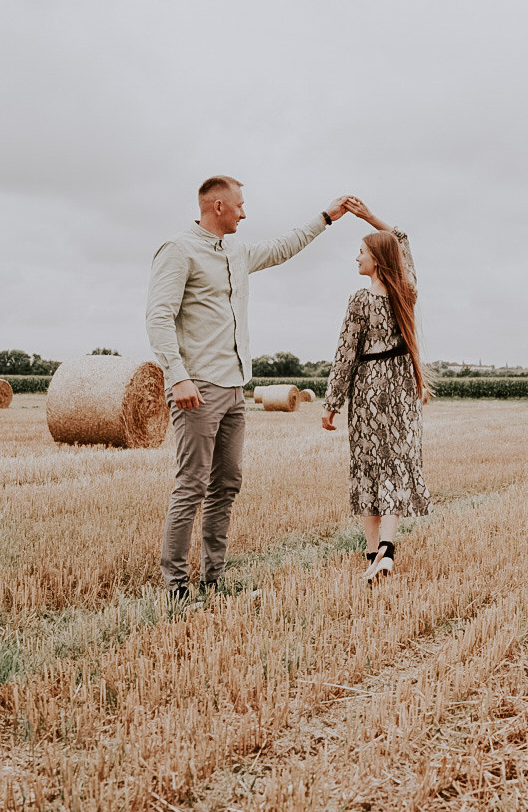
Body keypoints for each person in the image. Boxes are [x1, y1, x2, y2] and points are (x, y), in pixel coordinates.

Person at [148, 176, 351, 600]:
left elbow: (282, 247)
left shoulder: (236, 252)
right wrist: (176, 375)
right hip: (196, 385)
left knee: (227, 485)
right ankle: (175, 588)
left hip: (235, 386)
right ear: (217, 206)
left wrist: (326, 217)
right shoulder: (178, 250)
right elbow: (159, 317)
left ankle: (214, 578)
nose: (245, 212)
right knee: (192, 485)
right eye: (239, 205)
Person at [321, 198, 430, 583]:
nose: (356, 259)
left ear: (376, 260)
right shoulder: (406, 290)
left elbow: (345, 354)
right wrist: (368, 216)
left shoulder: (360, 300)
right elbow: (400, 238)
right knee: (396, 463)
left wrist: (332, 403)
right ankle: (382, 551)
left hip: (368, 388)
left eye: (362, 252)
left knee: (368, 466)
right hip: (400, 386)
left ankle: (376, 552)